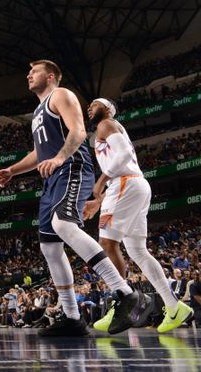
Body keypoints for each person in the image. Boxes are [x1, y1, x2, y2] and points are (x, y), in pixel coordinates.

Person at [0, 60, 151, 336]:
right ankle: (71, 317)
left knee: (64, 225)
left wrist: (60, 157)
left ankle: (126, 292)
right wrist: (13, 171)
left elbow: (78, 131)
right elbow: (38, 154)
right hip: (53, 174)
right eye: (28, 70)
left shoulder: (61, 95)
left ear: (51, 75)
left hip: (72, 167)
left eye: (35, 70)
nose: (28, 74)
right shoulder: (38, 111)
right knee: (50, 247)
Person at [83, 98, 194, 333]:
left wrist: (102, 180)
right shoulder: (108, 128)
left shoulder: (106, 124)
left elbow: (122, 154)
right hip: (134, 184)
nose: (89, 107)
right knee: (137, 251)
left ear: (107, 108)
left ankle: (123, 301)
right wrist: (99, 201)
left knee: (107, 243)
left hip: (123, 183)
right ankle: (175, 307)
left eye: (94, 104)